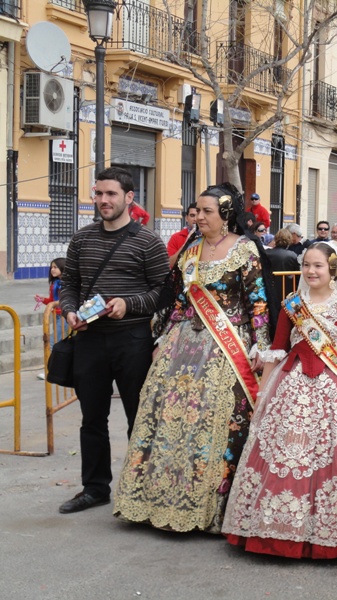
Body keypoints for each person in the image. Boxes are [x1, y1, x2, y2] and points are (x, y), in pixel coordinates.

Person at [113, 183, 272, 533]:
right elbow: (181, 301)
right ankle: (161, 500)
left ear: (225, 214)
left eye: (206, 211)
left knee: (216, 418)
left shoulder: (244, 250)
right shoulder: (191, 250)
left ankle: (211, 508)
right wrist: (164, 337)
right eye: (197, 211)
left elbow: (257, 302)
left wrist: (261, 345)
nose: (198, 217)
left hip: (227, 345)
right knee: (170, 417)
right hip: (183, 343)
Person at [223, 241, 337, 558]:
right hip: (290, 386)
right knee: (282, 453)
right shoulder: (292, 305)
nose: (310, 271)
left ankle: (325, 533)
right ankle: (274, 528)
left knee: (329, 456)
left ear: (333, 269)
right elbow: (277, 350)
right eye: (306, 265)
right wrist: (263, 392)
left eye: (318, 266)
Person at [58, 167, 169, 514]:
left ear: (129, 197)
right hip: (89, 339)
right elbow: (70, 284)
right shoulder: (82, 239)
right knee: (92, 418)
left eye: (111, 194)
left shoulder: (148, 241)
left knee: (139, 417)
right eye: (99, 193)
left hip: (132, 339)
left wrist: (128, 304)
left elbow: (164, 292)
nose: (103, 200)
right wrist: (69, 311)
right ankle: (95, 489)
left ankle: (141, 491)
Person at [269, 229, 302, 296]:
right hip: (289, 290)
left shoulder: (266, 253)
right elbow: (298, 276)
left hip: (270, 288)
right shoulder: (293, 255)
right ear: (289, 240)